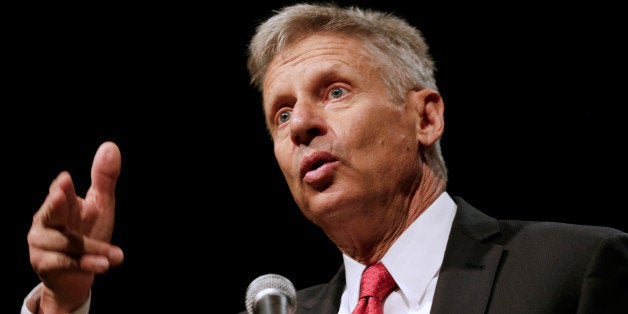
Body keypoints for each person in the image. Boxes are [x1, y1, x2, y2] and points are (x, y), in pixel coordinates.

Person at [21, 3, 628, 314]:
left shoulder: (570, 270)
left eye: (335, 91)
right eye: (280, 115)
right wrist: (64, 302)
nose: (301, 125)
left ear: (426, 117)